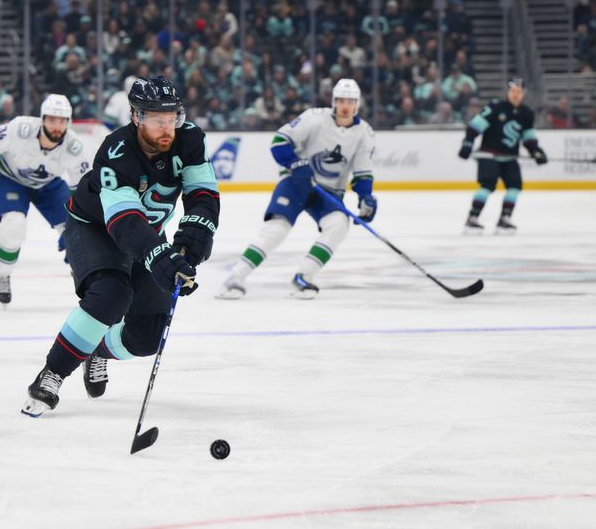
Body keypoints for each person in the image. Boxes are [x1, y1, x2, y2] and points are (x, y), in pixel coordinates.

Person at [21, 76, 220, 417]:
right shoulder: (116, 152)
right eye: (158, 120)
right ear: (137, 117)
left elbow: (203, 193)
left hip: (145, 232)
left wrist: (195, 233)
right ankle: (52, 372)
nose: (167, 128)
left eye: (172, 118)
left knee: (146, 338)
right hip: (96, 228)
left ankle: (96, 349)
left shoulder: (189, 139)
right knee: (111, 294)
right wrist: (160, 255)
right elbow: (124, 221)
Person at [216, 78, 377, 300]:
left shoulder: (364, 133)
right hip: (296, 184)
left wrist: (365, 196)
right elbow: (280, 142)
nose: (345, 106)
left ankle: (303, 276)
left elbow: (362, 173)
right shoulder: (314, 118)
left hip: (329, 193)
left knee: (338, 225)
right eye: (340, 100)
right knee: (277, 229)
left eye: (350, 101)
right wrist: (294, 163)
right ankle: (235, 277)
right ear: (333, 101)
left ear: (357, 104)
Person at [0, 94, 91, 303]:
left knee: (78, 235)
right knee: (13, 225)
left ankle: (85, 280)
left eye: (62, 121)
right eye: (52, 120)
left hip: (48, 186)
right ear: (43, 119)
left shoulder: (74, 147)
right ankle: (3, 275)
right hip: (10, 179)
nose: (57, 126)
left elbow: (81, 190)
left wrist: (75, 222)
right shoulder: (19, 130)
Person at [458, 77, 547, 234]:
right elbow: (474, 128)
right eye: (513, 91)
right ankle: (472, 218)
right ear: (508, 92)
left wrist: (536, 152)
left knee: (515, 187)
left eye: (519, 92)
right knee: (487, 186)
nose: (515, 94)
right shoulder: (496, 107)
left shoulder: (526, 113)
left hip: (509, 157)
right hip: (488, 155)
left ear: (523, 93)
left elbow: (529, 138)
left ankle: (504, 219)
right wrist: (467, 144)